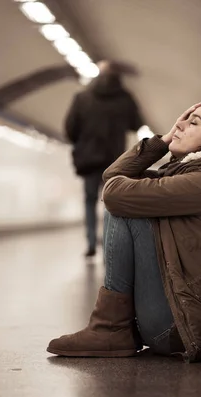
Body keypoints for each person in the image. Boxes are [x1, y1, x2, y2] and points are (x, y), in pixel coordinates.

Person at [48, 101, 201, 362]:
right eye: (184, 120)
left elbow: (113, 192)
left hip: (188, 331)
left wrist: (163, 146)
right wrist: (164, 141)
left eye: (193, 122)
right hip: (190, 320)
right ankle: (111, 328)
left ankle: (110, 329)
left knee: (123, 208)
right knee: (125, 201)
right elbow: (112, 176)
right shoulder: (193, 173)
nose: (180, 125)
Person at [64, 60, 143, 258]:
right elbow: (136, 124)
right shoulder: (125, 99)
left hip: (89, 159)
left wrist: (82, 142)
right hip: (115, 160)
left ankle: (91, 242)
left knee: (90, 201)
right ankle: (109, 243)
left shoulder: (82, 98)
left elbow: (70, 129)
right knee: (110, 202)